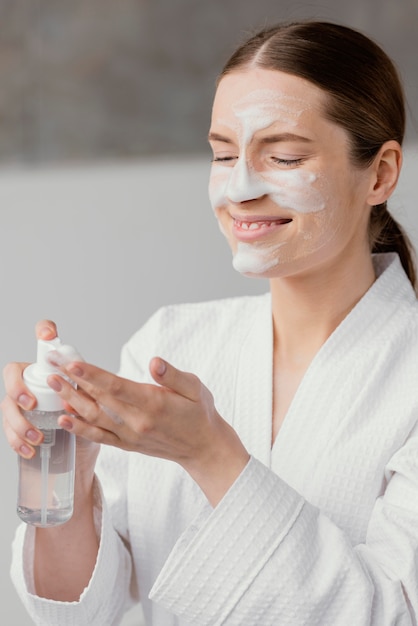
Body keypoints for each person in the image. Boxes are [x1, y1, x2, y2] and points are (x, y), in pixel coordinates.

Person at [2, 19, 418, 626]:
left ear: (379, 174)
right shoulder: (169, 343)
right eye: (223, 154)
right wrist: (66, 468)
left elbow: (393, 614)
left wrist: (211, 455)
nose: (239, 188)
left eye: (283, 156)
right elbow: (81, 615)